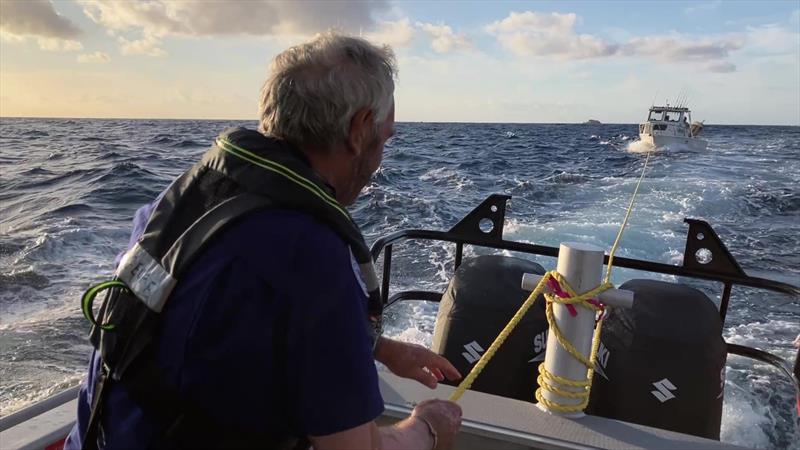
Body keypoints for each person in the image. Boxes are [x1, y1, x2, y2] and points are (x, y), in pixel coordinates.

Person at [65, 31, 463, 450]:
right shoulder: (311, 255)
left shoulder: (179, 205)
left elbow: (223, 324)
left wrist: (378, 348)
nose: (381, 153)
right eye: (385, 136)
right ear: (360, 129)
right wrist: (427, 426)